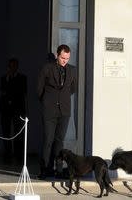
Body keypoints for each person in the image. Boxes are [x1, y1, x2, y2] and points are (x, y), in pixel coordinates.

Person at [37, 44, 77, 179]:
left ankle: (59, 170)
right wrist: (47, 102)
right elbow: (39, 89)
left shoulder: (72, 70)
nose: (65, 60)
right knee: (48, 140)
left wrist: (62, 100)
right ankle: (44, 170)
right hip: (49, 110)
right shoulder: (47, 68)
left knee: (59, 141)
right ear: (57, 55)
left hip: (64, 111)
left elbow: (72, 89)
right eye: (62, 58)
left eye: (67, 58)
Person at [0, 58, 27, 161]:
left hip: (17, 109)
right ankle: (7, 153)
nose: (12, 68)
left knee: (18, 132)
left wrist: (9, 92)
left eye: (14, 66)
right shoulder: (4, 78)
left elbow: (21, 92)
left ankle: (19, 154)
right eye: (10, 66)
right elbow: (2, 91)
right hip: (5, 108)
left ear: (17, 67)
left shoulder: (22, 78)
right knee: (5, 131)